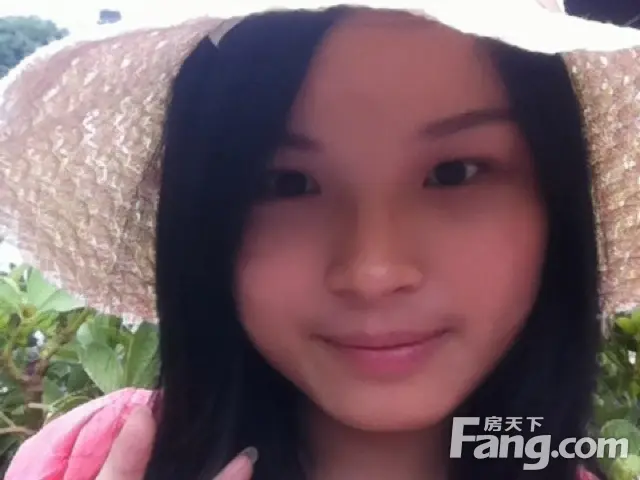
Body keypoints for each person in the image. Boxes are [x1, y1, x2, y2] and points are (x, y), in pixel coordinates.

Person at [2, 2, 640, 480]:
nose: (373, 271)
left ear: (556, 196)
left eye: (454, 173)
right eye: (287, 183)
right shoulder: (85, 463)